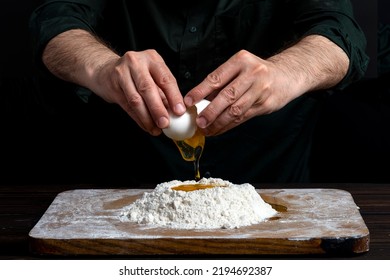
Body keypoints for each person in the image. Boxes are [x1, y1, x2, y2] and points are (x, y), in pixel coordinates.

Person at [28, 0, 369, 185]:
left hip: (273, 204)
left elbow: (340, 35)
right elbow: (55, 20)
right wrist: (102, 66)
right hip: (125, 202)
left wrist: (284, 71)